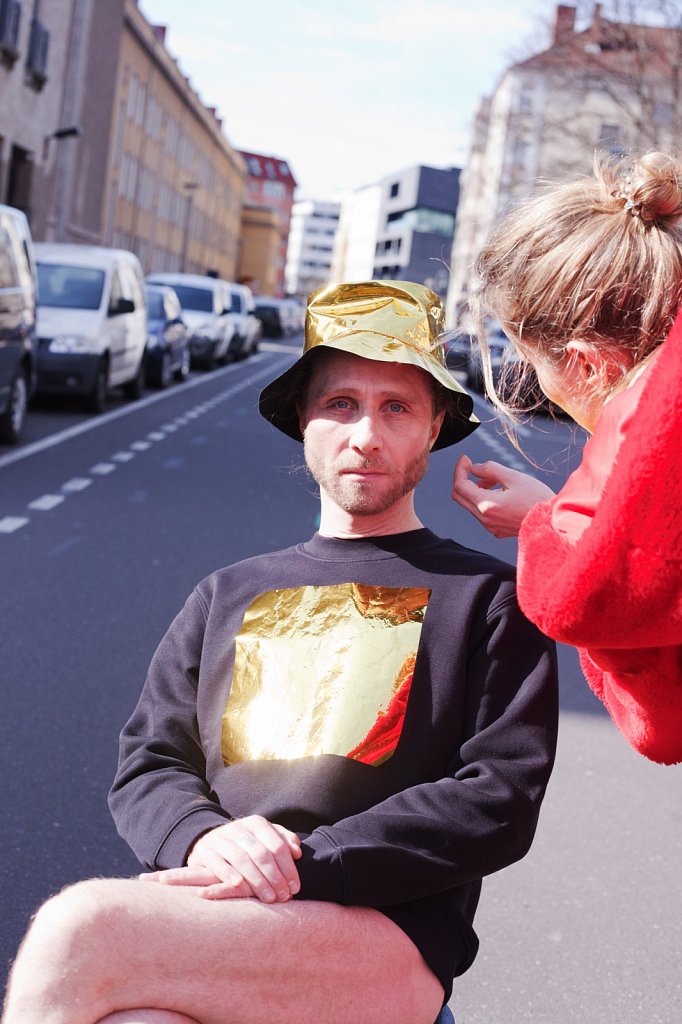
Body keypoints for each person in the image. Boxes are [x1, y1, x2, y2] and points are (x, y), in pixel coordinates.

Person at [2, 280, 558, 1024]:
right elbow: (151, 763)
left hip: (386, 936)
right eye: (341, 405)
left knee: (81, 929)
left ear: (436, 426)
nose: (366, 434)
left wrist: (299, 863)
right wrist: (205, 839)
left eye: (396, 407)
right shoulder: (224, 594)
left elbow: (498, 797)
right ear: (304, 419)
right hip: (223, 909)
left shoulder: (488, 598)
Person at [451, 150, 682, 767]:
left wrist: (546, 527)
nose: (531, 379)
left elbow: (658, 717)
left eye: (530, 361)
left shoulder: (639, 437)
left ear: (584, 360)